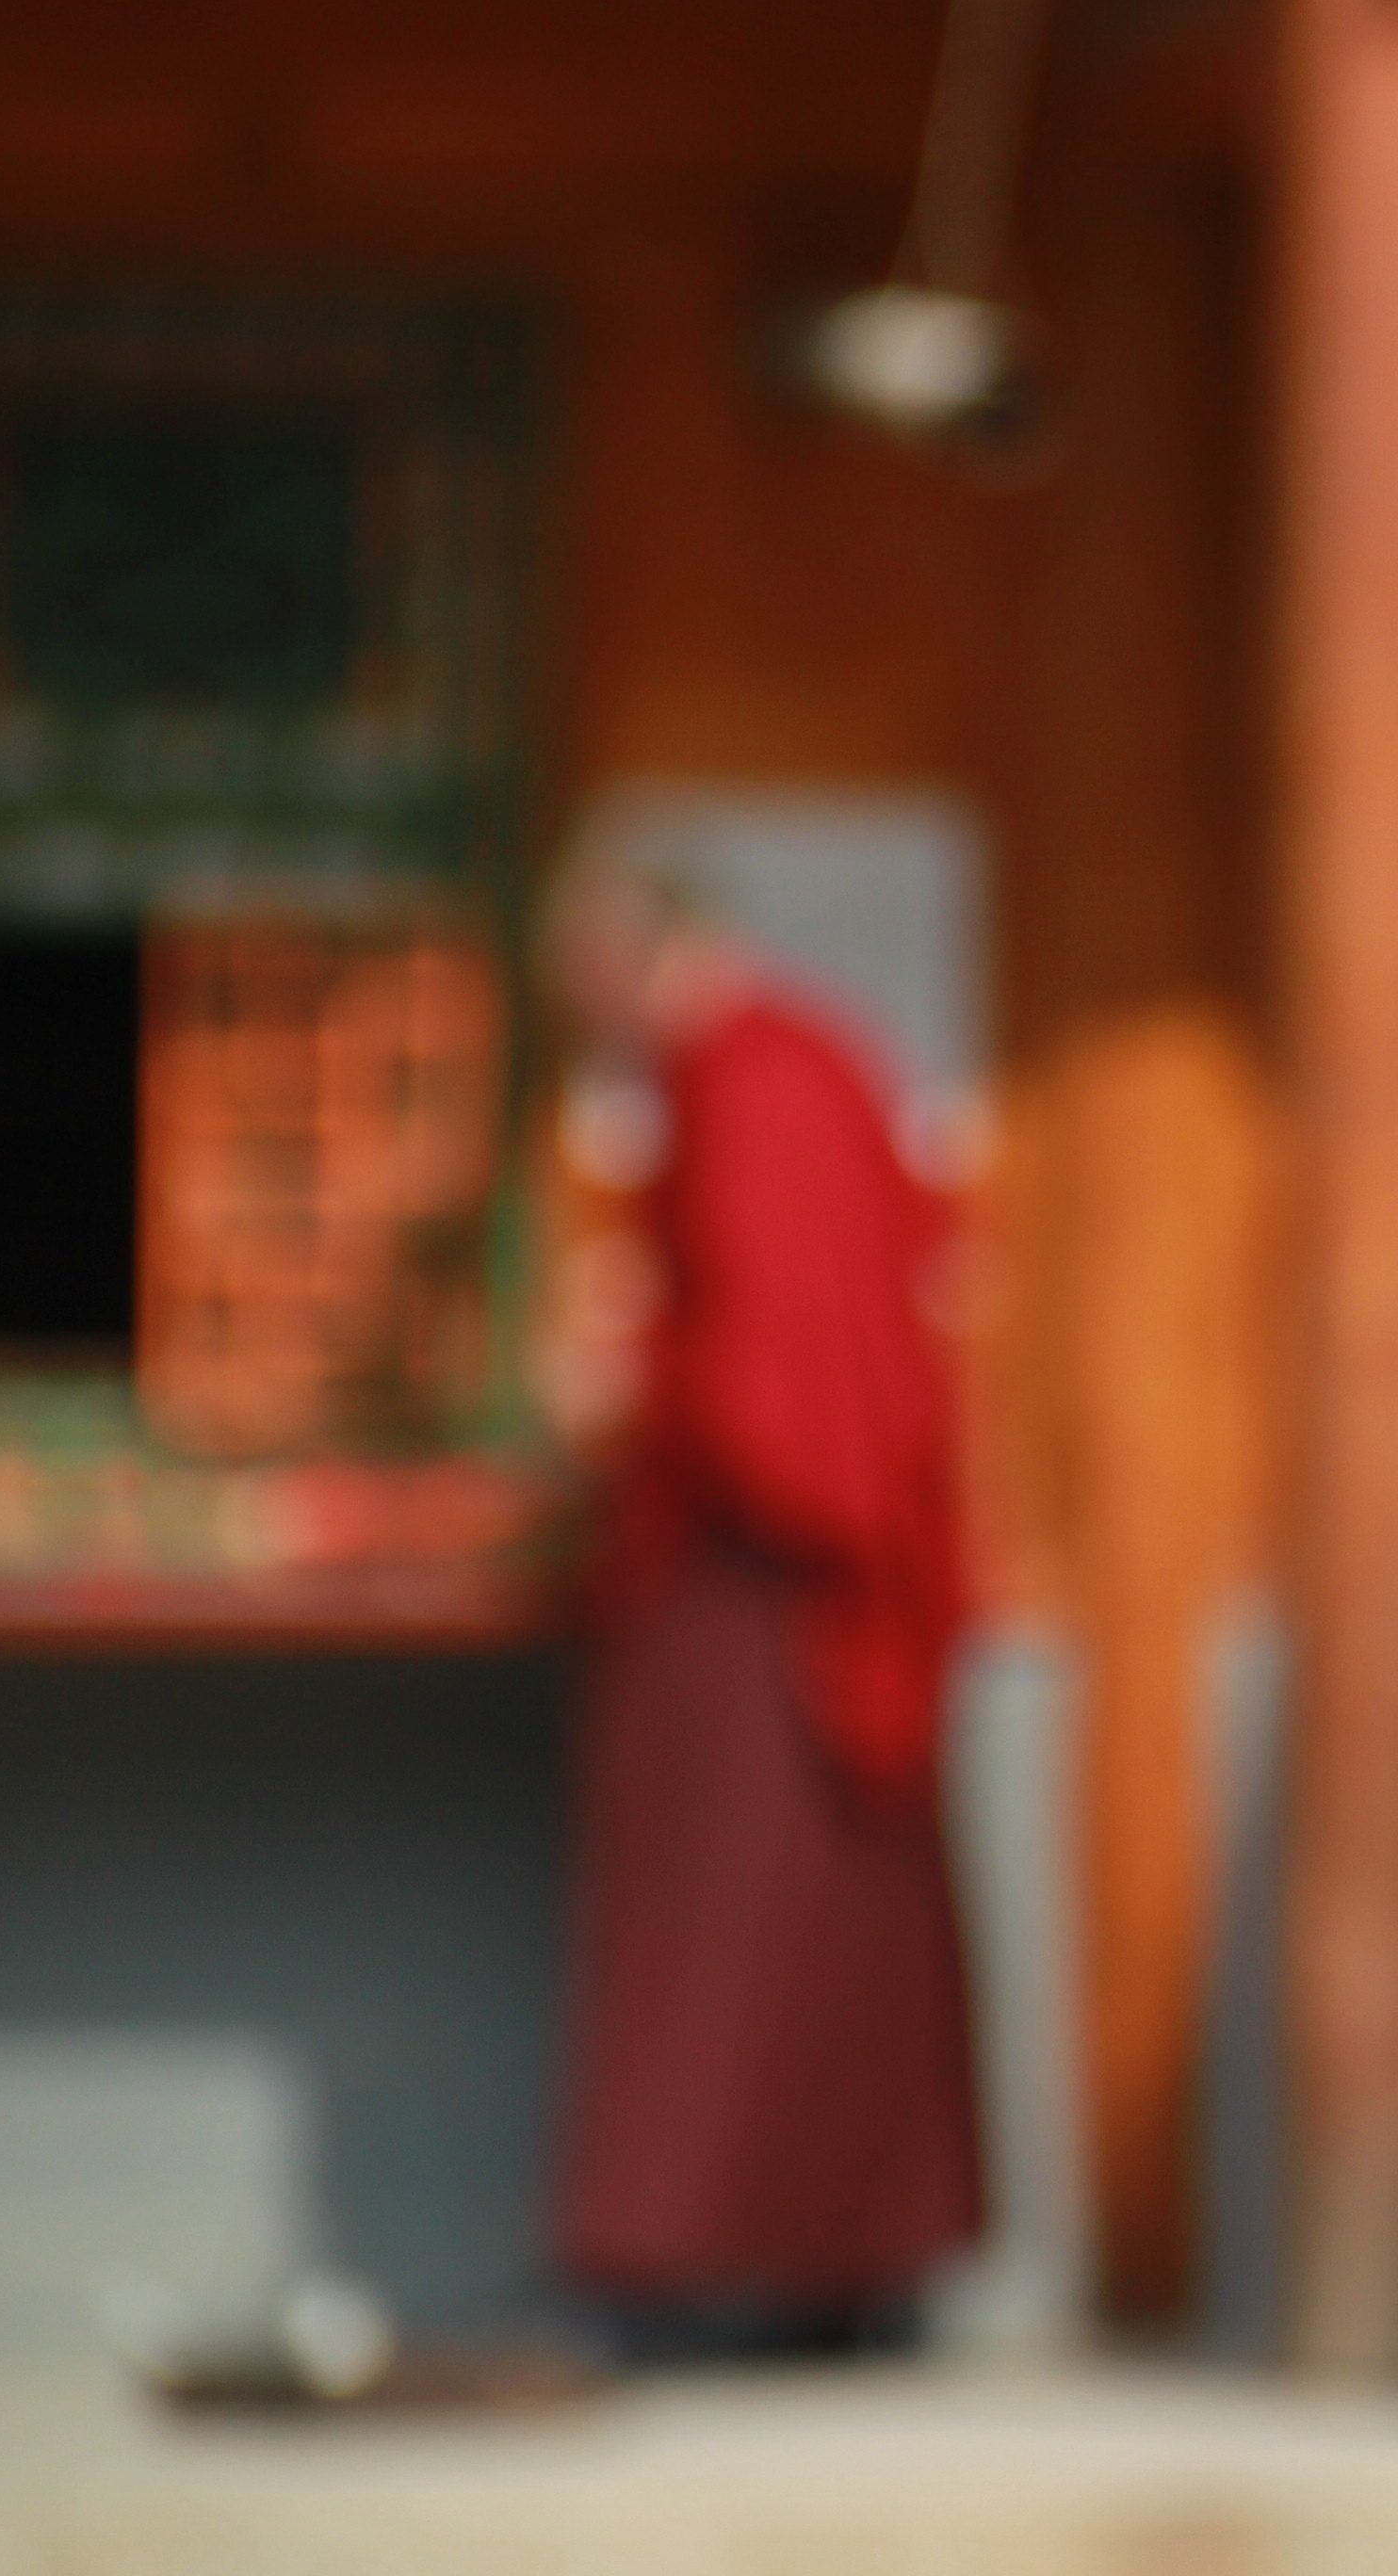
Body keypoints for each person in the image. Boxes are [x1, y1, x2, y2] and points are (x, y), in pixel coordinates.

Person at [541, 834, 983, 2354]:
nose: (594, 1028)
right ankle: (842, 2267)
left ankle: (700, 2262)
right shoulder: (812, 1064)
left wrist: (629, 1386)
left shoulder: (751, 1086)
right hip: (813, 1562)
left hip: (770, 1574)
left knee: (726, 1931)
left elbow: (767, 1378)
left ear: (631, 955)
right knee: (813, 1936)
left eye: (587, 988)